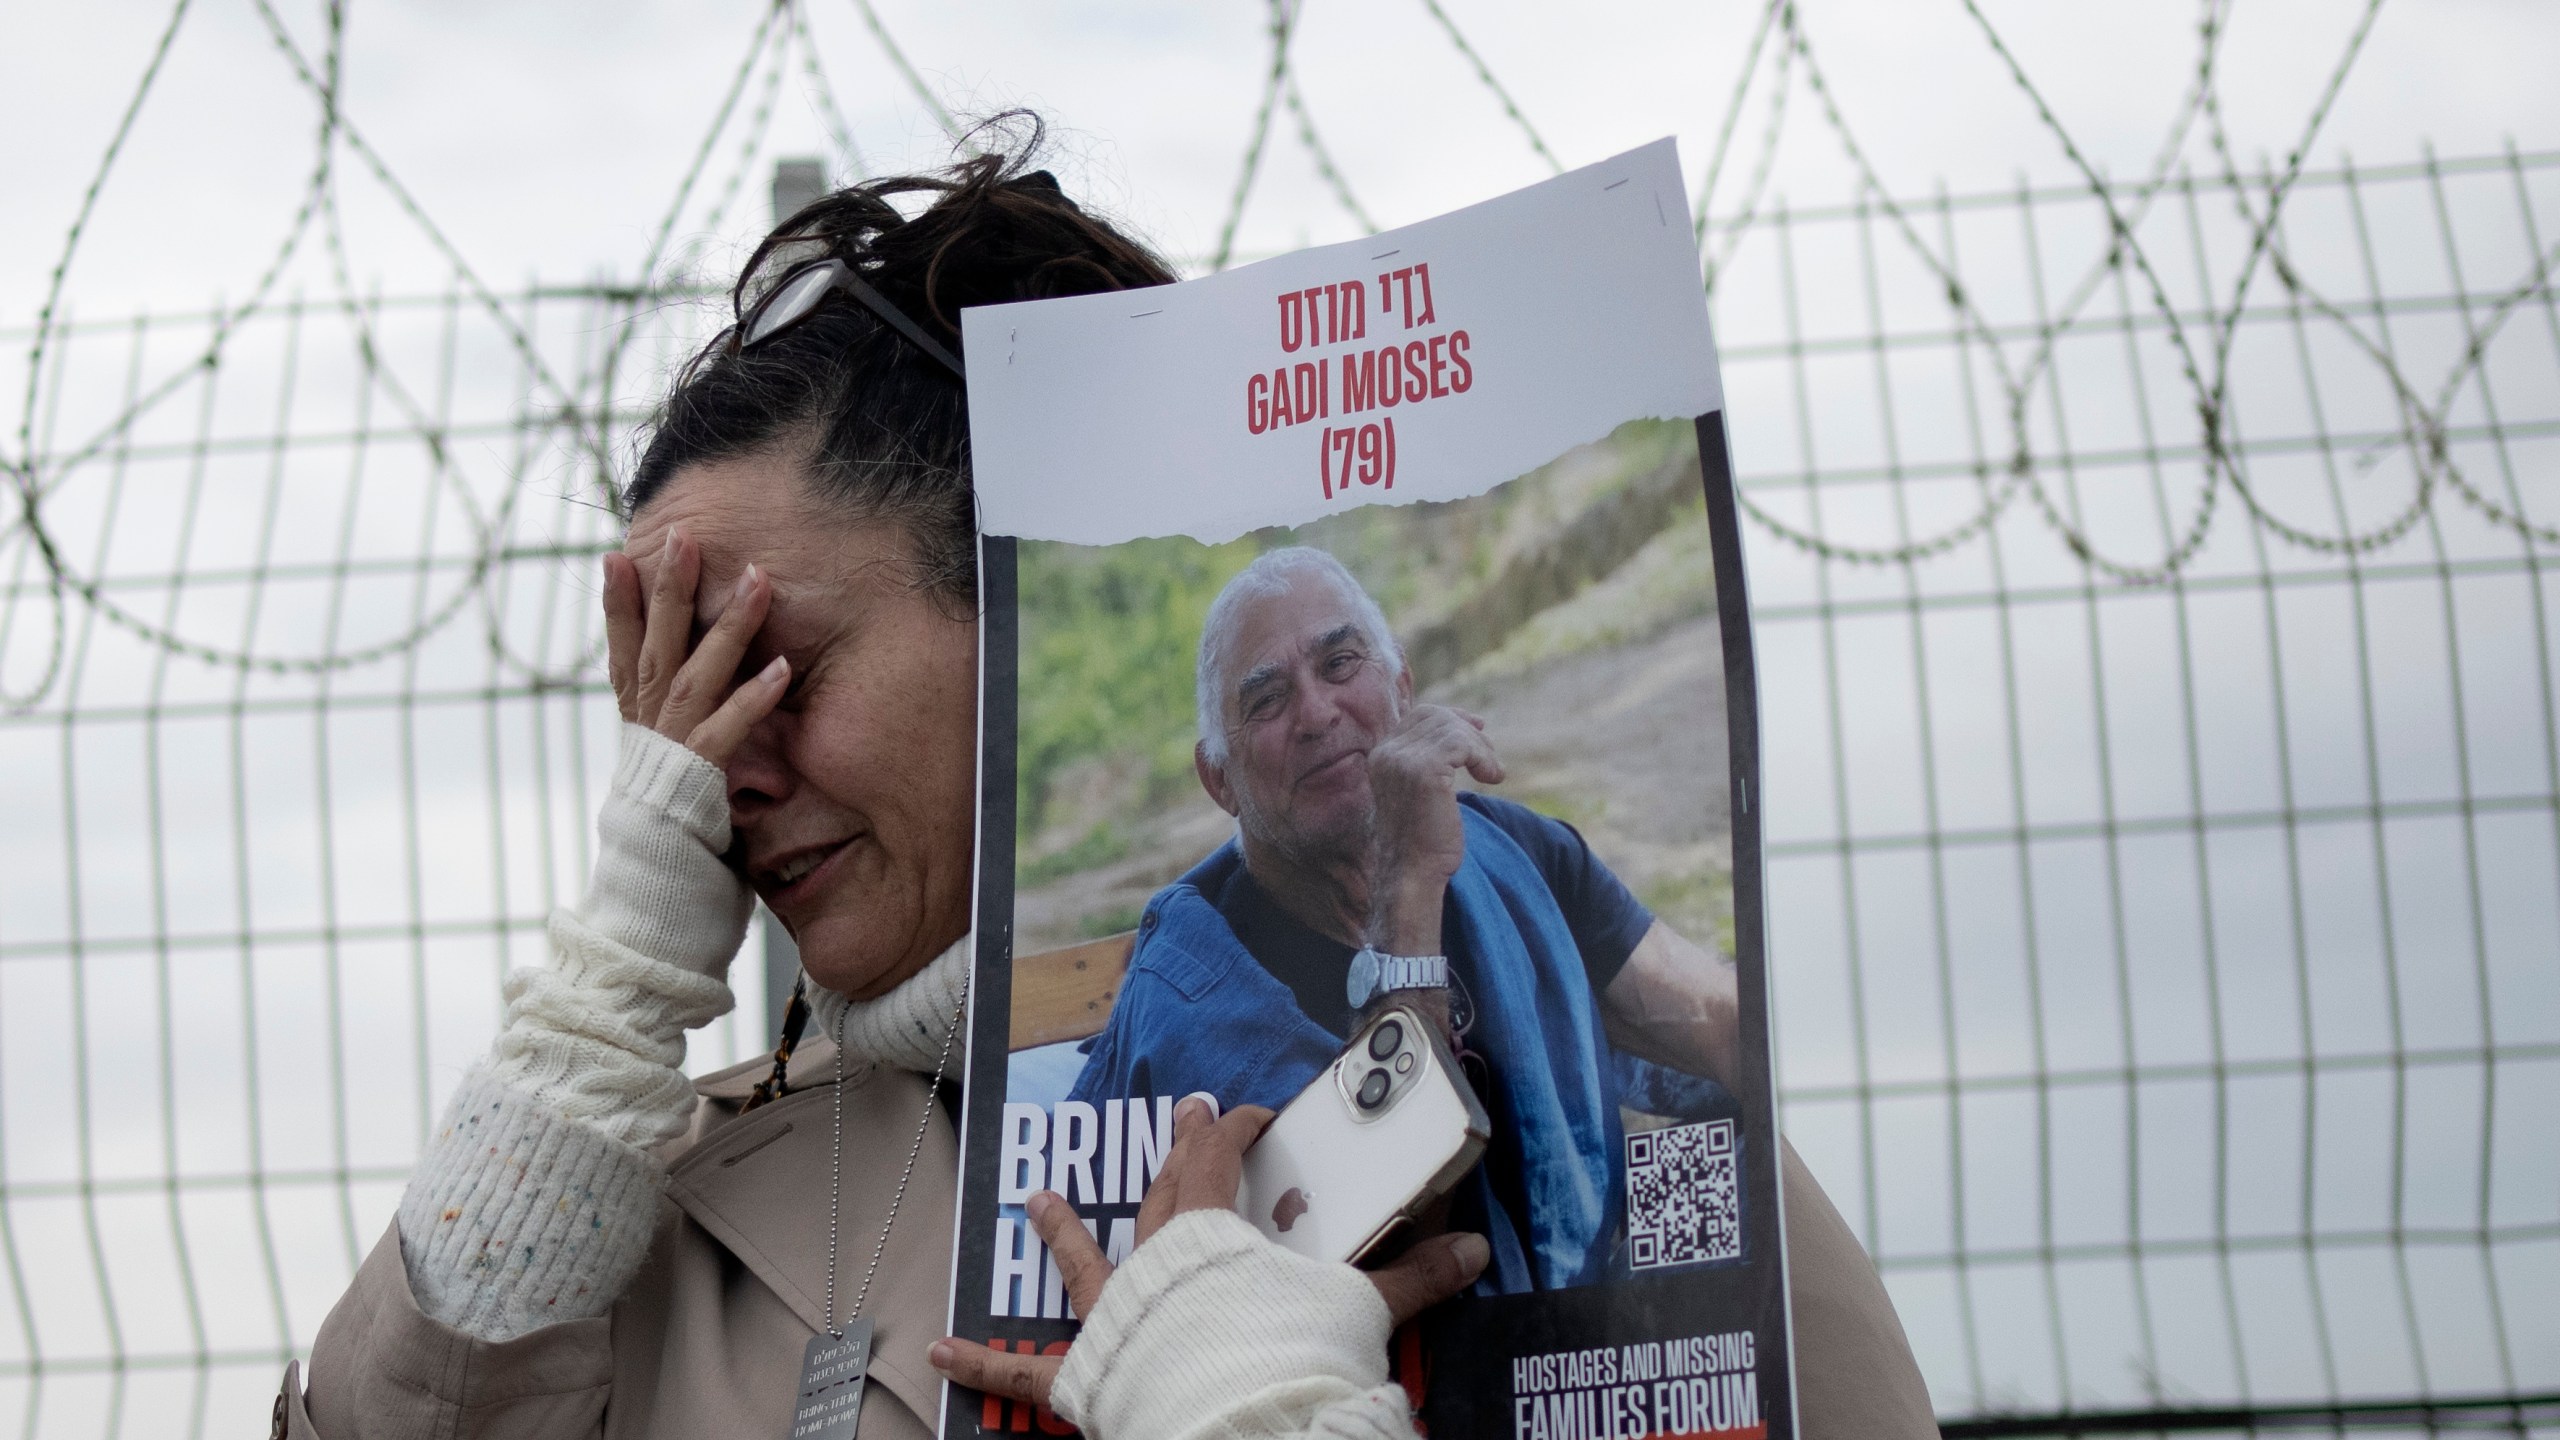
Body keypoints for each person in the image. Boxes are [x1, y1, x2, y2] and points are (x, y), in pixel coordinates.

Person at [277, 126, 1936, 1440]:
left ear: (1012, 615)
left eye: (782, 668)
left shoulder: (1598, 1049)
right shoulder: (657, 1213)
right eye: (673, 708)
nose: (719, 771)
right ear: (1216, 762)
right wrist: (606, 989)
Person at [1070, 547, 1743, 1295]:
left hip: (1589, 1332)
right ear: (1219, 779)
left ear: (1402, 686)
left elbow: (1708, 1018)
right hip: (1395, 1385)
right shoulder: (1200, 998)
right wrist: (1410, 887)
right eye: (1266, 701)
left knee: (1760, 1181)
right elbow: (1400, 1246)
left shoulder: (1514, 850)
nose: (1318, 714)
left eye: (1340, 662)